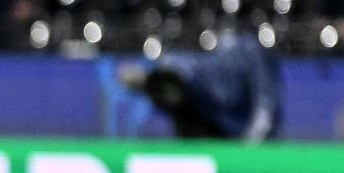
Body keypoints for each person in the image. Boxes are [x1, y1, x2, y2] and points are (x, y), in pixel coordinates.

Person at [119, 30, 284, 144]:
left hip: (229, 122)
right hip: (204, 110)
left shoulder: (244, 54)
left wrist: (252, 140)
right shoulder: (189, 88)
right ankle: (157, 79)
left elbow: (265, 105)